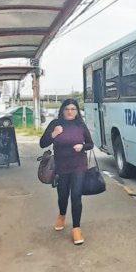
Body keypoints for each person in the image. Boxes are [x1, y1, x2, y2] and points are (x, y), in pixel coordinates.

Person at [39, 98, 94, 245]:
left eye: (73, 109)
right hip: (61, 166)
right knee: (63, 196)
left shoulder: (80, 125)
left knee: (76, 196)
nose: (70, 112)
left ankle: (76, 229)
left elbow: (90, 144)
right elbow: (42, 143)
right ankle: (62, 215)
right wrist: (53, 134)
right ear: (62, 110)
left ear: (77, 111)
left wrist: (82, 147)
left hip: (79, 165)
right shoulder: (55, 124)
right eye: (67, 109)